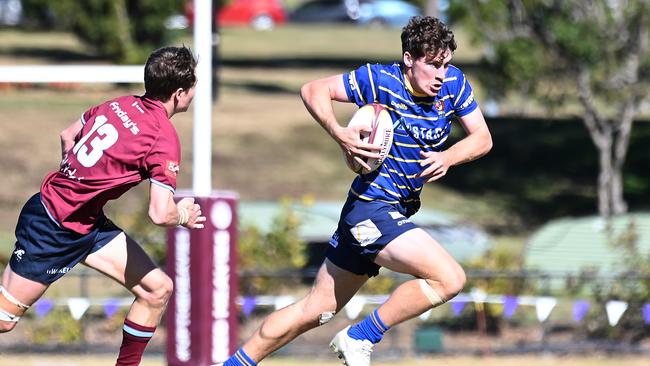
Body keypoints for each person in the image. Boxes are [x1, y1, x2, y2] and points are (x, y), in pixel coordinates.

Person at [219, 16, 493, 366]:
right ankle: (360, 336)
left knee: (315, 310)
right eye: (433, 65)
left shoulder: (453, 86)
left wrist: (449, 157)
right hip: (372, 208)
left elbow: (482, 138)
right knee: (448, 278)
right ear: (409, 59)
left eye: (446, 65)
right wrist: (338, 131)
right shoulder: (381, 80)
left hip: (389, 213)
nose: (441, 74)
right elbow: (313, 89)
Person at [0, 46, 206, 366]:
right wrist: (183, 215)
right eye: (193, 87)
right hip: (54, 226)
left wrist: (74, 181)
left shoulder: (120, 103)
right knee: (3, 319)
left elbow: (68, 135)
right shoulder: (163, 137)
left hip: (86, 223)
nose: (194, 93)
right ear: (180, 93)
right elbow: (159, 213)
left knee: (157, 289)